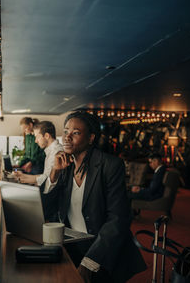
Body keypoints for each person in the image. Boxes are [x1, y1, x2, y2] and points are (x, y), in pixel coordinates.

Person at [49, 111, 146, 283]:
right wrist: (55, 172)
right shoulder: (66, 165)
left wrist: (90, 261)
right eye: (65, 131)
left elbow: (119, 218)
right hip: (73, 246)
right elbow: (48, 207)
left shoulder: (110, 165)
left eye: (76, 133)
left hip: (103, 249)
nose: (67, 137)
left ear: (91, 138)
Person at [15, 121, 63, 194]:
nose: (36, 141)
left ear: (46, 136)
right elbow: (46, 176)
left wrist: (23, 178)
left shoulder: (56, 152)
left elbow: (48, 179)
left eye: (37, 137)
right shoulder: (50, 151)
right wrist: (22, 176)